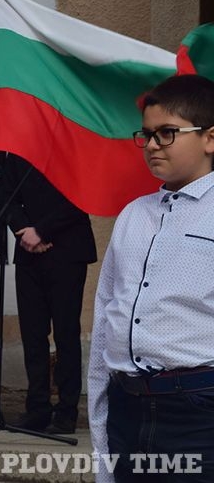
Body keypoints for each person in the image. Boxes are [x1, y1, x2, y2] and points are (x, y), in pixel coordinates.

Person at [88, 74, 214, 482]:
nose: (154, 144)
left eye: (167, 133)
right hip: (129, 406)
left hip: (198, 409)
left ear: (210, 139)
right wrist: (100, 414)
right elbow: (107, 309)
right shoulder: (134, 214)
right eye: (147, 135)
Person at [1, 153, 96, 434]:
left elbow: (82, 198)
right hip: (29, 254)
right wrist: (24, 231)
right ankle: (37, 408)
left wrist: (41, 231)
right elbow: (8, 196)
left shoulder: (71, 146)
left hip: (67, 251)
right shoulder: (17, 152)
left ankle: (66, 411)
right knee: (32, 334)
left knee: (66, 333)